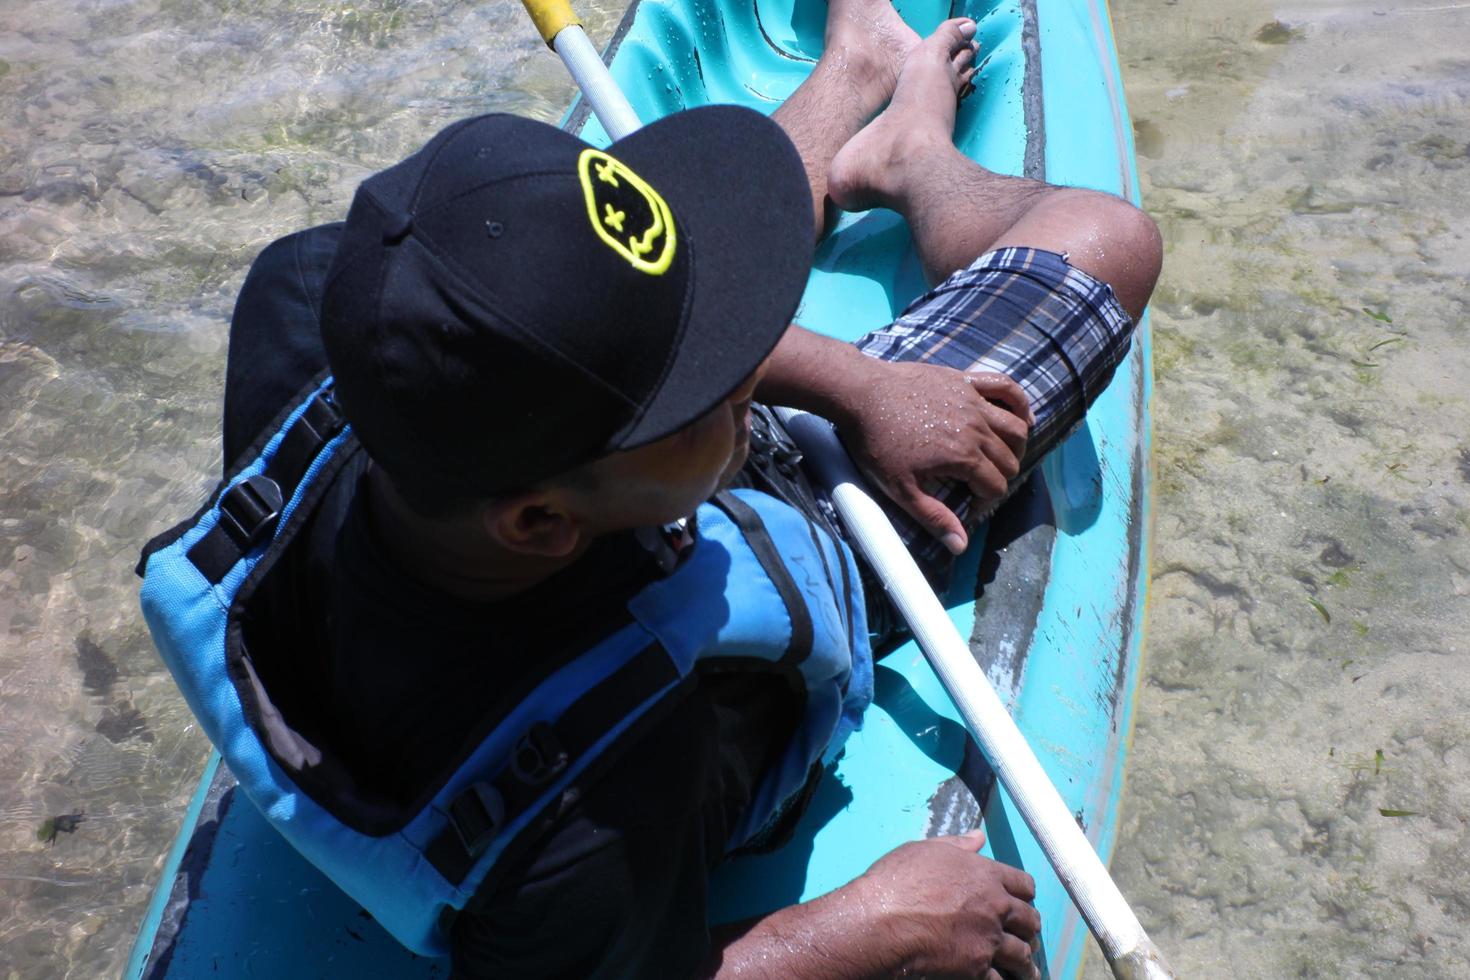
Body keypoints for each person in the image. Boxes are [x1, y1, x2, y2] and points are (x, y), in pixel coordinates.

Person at [138, 2, 1161, 978]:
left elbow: (600, 325)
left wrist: (863, 383)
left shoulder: (307, 308)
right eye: (707, 387)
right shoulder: (603, 792)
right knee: (1111, 242)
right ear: (542, 520)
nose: (749, 362)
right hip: (774, 552)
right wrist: (869, 925)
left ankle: (854, 69)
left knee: (633, 286)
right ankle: (913, 158)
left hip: (611, 509)